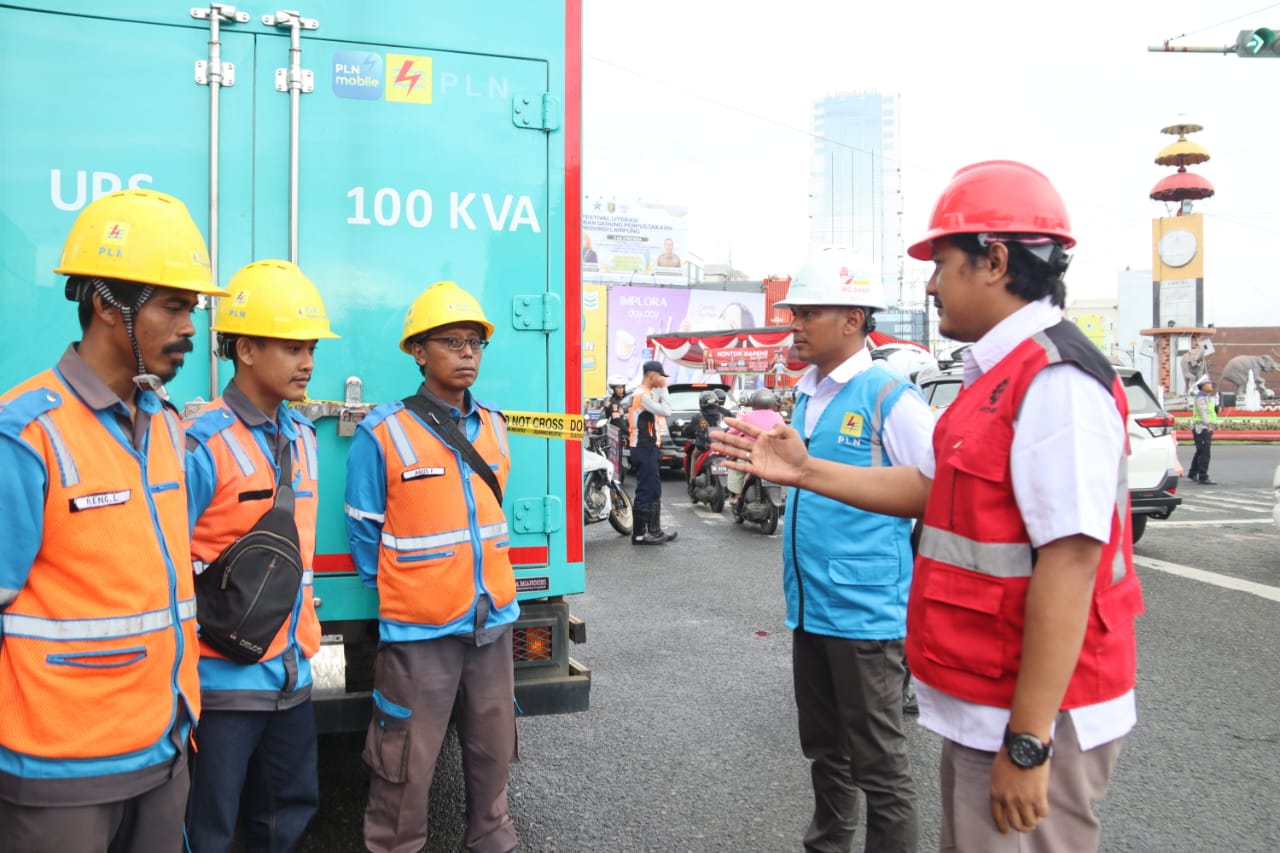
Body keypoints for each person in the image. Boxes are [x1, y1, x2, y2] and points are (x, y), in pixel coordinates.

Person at [715, 161, 1143, 852]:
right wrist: (807, 469)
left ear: (996, 260)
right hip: (986, 703)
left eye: (942, 262)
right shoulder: (995, 374)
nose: (931, 282)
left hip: (1031, 714)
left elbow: (1071, 565)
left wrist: (1029, 740)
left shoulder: (1055, 379)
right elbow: (932, 488)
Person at [0, 189, 226, 852]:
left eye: (193, 308)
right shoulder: (26, 434)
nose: (191, 328)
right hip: (61, 770)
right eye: (174, 306)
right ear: (106, 304)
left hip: (162, 745)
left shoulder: (164, 422)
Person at [345, 280, 519, 853]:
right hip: (420, 633)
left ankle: (492, 841)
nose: (467, 353)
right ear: (418, 352)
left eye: (475, 342)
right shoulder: (384, 431)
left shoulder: (494, 425)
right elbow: (364, 530)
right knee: (405, 765)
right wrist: (412, 590)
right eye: (452, 341)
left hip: (490, 622)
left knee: (494, 752)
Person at [775, 246, 934, 853]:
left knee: (881, 768)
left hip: (866, 613)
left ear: (852, 319)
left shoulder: (888, 394)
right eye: (795, 312)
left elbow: (937, 488)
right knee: (824, 752)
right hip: (811, 607)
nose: (794, 324)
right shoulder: (807, 393)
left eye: (807, 312)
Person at [183, 260, 339, 852]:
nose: (308, 362)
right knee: (209, 827)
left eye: (312, 348)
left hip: (291, 674)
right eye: (294, 347)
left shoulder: (300, 436)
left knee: (289, 815)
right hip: (221, 681)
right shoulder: (201, 442)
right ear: (245, 349)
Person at [628, 359, 678, 544]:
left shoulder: (647, 393)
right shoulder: (642, 395)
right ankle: (640, 535)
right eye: (661, 377)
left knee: (654, 489)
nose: (663, 380)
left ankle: (655, 531)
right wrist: (664, 388)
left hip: (648, 448)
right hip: (641, 448)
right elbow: (666, 410)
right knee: (645, 490)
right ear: (652, 376)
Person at [725, 389, 786, 509]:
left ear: (753, 402)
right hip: (772, 452)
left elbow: (733, 431)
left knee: (737, 468)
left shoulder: (747, 416)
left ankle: (737, 496)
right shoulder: (778, 417)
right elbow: (783, 432)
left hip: (750, 452)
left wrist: (729, 434)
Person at [681, 389, 728, 489]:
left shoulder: (699, 417)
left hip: (704, 447)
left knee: (693, 455)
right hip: (721, 447)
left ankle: (692, 481)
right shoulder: (721, 416)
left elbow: (688, 431)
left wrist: (683, 432)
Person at [1188, 375, 1217, 485]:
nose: (1211, 385)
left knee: (1200, 451)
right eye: (1208, 383)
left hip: (1204, 427)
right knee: (1205, 452)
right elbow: (1203, 412)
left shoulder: (1206, 397)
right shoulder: (1201, 398)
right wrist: (1209, 424)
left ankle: (1193, 472)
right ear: (1202, 386)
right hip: (1202, 427)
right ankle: (1203, 476)